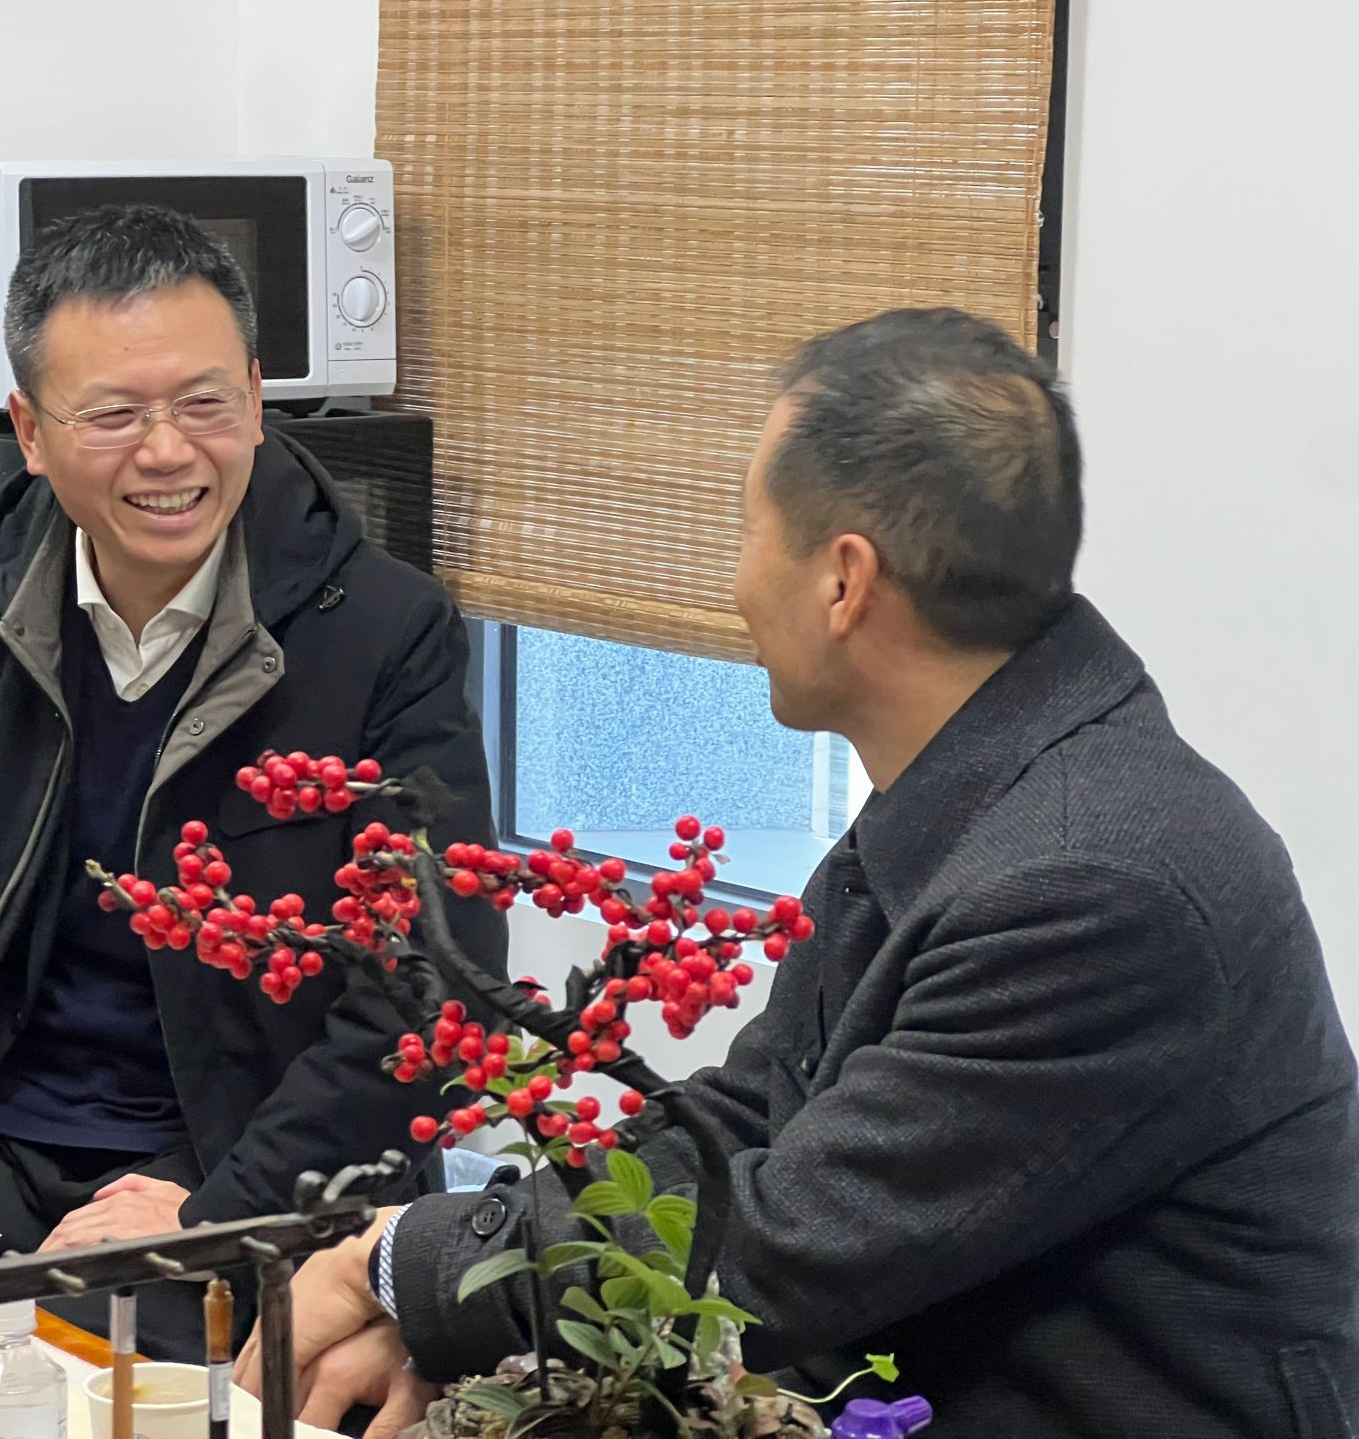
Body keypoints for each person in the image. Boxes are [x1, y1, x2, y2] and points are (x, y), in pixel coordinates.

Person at [241, 309, 1359, 1438]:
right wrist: (446, 1306)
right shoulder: (980, 788)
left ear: (842, 581)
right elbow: (744, 1122)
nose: (734, 583)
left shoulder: (1088, 887)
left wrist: (394, 1264)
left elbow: (778, 1244)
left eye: (747, 531)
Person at [0, 204, 504, 1359]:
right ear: (29, 432)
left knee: (95, 1389)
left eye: (204, 404)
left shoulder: (385, 633)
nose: (167, 451)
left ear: (256, 398)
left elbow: (431, 979)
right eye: (113, 415)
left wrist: (220, 1212)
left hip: (240, 1172)